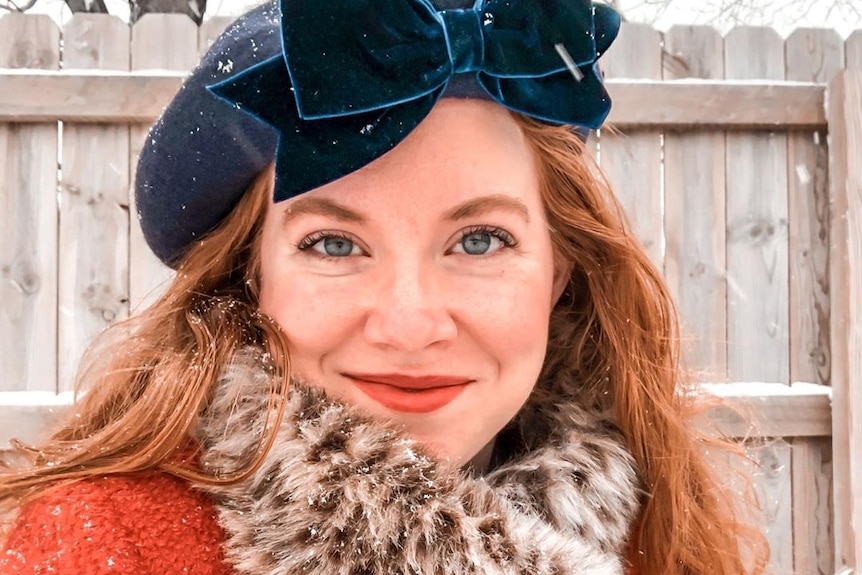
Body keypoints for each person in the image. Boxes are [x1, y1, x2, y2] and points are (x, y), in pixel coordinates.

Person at [0, 1, 767, 574]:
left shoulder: (667, 532)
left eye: (479, 240)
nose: (409, 323)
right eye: (334, 243)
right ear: (251, 274)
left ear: (560, 266)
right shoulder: (103, 543)